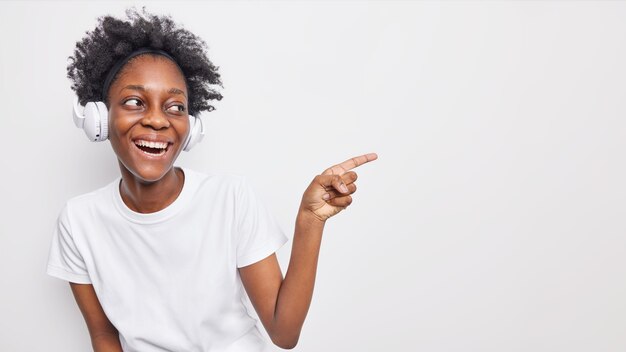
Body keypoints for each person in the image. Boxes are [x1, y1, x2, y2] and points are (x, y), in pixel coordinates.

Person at [46, 8, 377, 352]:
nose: (158, 120)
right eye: (134, 101)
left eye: (174, 107)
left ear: (191, 128)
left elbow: (284, 333)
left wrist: (310, 221)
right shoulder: (78, 220)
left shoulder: (231, 198)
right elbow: (103, 336)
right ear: (99, 117)